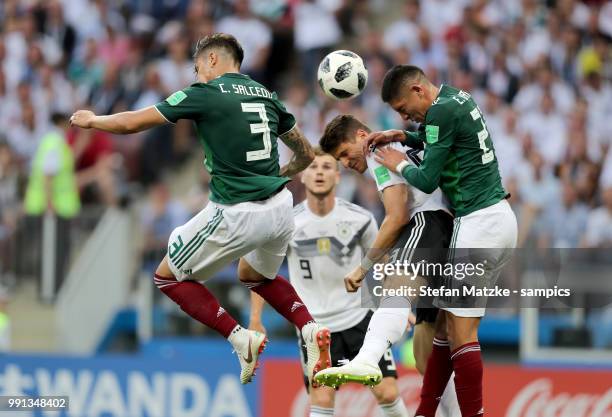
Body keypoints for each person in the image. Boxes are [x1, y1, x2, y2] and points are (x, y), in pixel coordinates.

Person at [70, 33, 330, 386]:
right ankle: (310, 327)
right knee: (256, 277)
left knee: (166, 277)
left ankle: (240, 338)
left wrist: (93, 120)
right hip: (281, 208)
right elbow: (305, 155)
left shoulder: (205, 94)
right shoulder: (268, 96)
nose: (196, 75)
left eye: (196, 67)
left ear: (212, 60)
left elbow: (133, 123)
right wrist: (274, 177)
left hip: (237, 213)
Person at [361, 65, 517, 417]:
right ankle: (426, 412)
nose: (405, 116)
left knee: (462, 333)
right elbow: (441, 139)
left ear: (418, 89)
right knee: (445, 328)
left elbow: (427, 178)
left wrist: (398, 163)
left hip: (479, 223)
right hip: (497, 220)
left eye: (404, 108)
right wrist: (404, 136)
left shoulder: (439, 111)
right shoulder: (455, 98)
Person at [315, 115, 460, 416]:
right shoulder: (393, 144)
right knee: (426, 352)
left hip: (429, 222)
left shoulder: (376, 150)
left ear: (360, 135)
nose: (344, 162)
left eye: (344, 153)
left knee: (395, 289)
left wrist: (362, 267)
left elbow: (398, 216)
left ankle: (367, 356)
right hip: (449, 230)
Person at [251, 148, 411, 417]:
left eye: (326, 167)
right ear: (302, 176)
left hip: (360, 318)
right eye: (313, 168)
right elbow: (261, 272)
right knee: (322, 400)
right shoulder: (287, 223)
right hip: (313, 328)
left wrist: (397, 305)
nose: (319, 173)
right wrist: (256, 318)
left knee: (388, 392)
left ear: (338, 176)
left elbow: (381, 262)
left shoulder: (360, 219)